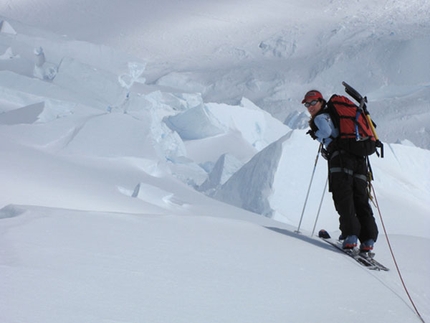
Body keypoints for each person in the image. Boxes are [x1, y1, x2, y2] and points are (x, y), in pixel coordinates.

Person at [302, 90, 378, 251]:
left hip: (341, 160)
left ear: (321, 102)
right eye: (307, 104)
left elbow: (327, 132)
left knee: (344, 197)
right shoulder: (340, 116)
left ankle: (350, 236)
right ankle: (368, 239)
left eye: (313, 102)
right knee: (361, 199)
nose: (310, 107)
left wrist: (316, 133)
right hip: (359, 159)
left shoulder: (321, 117)